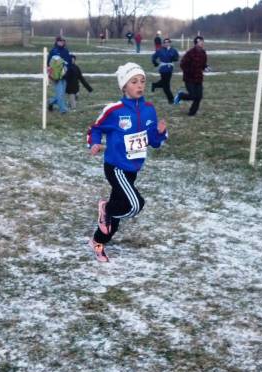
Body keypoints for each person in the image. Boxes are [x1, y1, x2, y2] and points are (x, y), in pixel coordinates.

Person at [86, 62, 168, 262]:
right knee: (134, 205)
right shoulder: (114, 111)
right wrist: (94, 143)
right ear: (124, 86)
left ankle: (98, 241)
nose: (140, 85)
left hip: (133, 168)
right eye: (134, 82)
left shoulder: (149, 110)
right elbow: (95, 128)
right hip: (115, 166)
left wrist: (160, 132)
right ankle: (105, 209)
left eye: (142, 81)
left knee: (119, 206)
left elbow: (154, 143)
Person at [174, 36, 208, 116]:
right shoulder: (190, 53)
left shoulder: (203, 53)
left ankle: (192, 112)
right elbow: (182, 64)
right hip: (189, 78)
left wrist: (206, 67)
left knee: (199, 96)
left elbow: (203, 64)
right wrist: (189, 71)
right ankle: (181, 95)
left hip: (198, 78)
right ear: (196, 43)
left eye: (203, 41)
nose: (202, 43)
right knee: (192, 95)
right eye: (200, 42)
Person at [47, 36, 72, 114]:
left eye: (63, 41)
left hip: (65, 75)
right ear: (57, 42)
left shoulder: (66, 51)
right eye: (60, 41)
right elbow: (48, 64)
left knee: (61, 94)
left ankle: (50, 102)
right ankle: (63, 110)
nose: (61, 42)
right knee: (60, 93)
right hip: (56, 76)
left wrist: (68, 71)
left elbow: (69, 63)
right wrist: (51, 75)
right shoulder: (53, 51)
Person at [151, 37, 179, 104]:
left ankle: (154, 85)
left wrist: (174, 58)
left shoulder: (173, 50)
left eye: (168, 42)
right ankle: (171, 99)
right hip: (163, 69)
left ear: (170, 43)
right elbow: (153, 57)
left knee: (164, 83)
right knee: (166, 85)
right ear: (163, 43)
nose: (166, 43)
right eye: (165, 42)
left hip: (170, 69)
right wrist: (155, 63)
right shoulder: (160, 50)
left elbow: (177, 58)